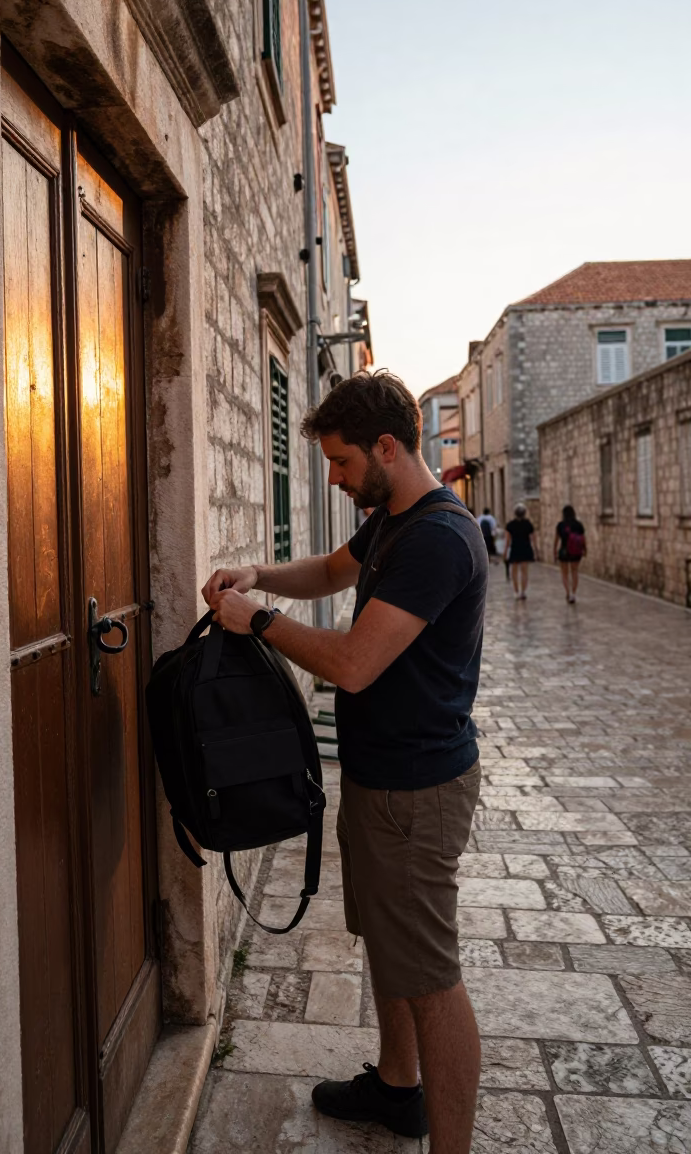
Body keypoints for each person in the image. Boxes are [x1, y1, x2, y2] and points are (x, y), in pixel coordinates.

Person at [202, 371, 487, 1154]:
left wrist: (258, 619)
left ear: (385, 448)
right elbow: (331, 571)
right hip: (380, 777)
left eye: (339, 462)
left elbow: (356, 664)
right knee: (391, 947)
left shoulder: (437, 537)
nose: (331, 477)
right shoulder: (395, 515)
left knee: (430, 976)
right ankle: (398, 1090)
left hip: (417, 791)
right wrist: (261, 574)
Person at [554, 504, 587, 603]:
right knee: (574, 572)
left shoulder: (560, 525)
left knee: (564, 573)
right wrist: (585, 549)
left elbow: (556, 540)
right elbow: (583, 539)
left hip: (564, 551)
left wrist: (554, 551)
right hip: (576, 551)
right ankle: (573, 593)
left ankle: (567, 592)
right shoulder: (578, 525)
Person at [504, 503, 537, 600]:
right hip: (525, 548)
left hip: (515, 549)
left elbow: (507, 541)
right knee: (524, 572)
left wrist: (505, 552)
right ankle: (523, 591)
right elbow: (533, 539)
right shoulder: (528, 524)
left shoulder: (510, 525)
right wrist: (535, 550)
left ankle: (516, 591)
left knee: (514, 572)